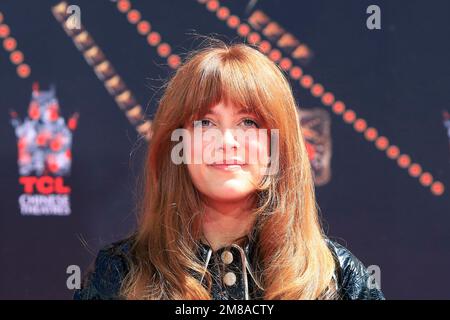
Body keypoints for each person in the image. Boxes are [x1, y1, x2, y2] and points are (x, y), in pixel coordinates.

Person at [74, 40, 385, 300]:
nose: (226, 141)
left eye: (248, 122)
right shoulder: (119, 275)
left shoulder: (339, 280)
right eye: (206, 123)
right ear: (177, 143)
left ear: (280, 145)